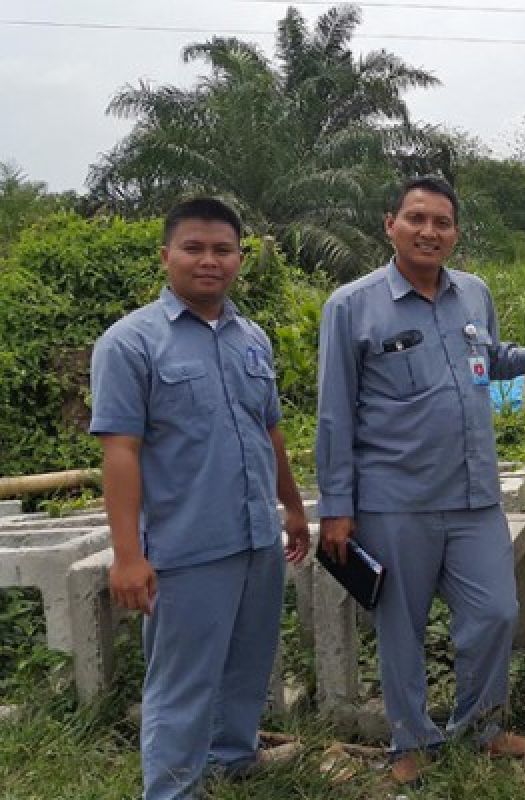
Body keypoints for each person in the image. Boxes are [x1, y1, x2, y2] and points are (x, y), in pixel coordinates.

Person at [315, 175, 525, 784]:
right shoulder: (351, 306)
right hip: (395, 498)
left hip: (473, 495)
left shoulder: (473, 293)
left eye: (442, 222)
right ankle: (410, 741)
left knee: (495, 612)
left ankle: (481, 728)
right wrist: (336, 507)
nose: (429, 231)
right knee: (402, 627)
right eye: (417, 218)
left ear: (456, 233)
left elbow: (488, 358)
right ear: (390, 223)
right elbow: (334, 413)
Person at [89, 197, 310, 800]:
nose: (208, 261)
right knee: (181, 683)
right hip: (187, 545)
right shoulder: (131, 343)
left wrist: (291, 507)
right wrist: (127, 555)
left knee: (248, 661)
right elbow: (121, 452)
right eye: (193, 248)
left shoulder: (251, 338)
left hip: (254, 536)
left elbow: (268, 432)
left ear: (239, 258)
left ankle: (231, 757)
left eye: (222, 250)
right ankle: (170, 789)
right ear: (166, 255)